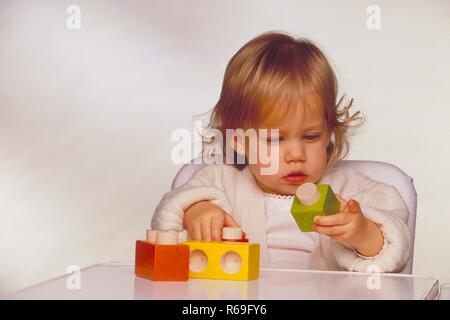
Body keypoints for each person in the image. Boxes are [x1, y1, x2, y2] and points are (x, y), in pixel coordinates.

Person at [151, 31, 410, 272]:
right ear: (239, 139)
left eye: (310, 137)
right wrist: (196, 210)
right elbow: (169, 215)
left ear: (329, 131)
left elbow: (397, 245)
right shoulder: (218, 181)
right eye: (275, 140)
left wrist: (363, 232)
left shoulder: (351, 191)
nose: (295, 154)